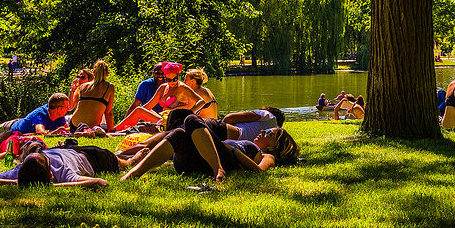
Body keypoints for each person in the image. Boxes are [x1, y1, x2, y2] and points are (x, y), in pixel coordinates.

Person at [119, 114, 300, 182]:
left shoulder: (268, 156)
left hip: (226, 160)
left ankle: (217, 169)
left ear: (275, 146)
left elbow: (259, 171)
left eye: (270, 133)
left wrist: (234, 151)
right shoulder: (254, 143)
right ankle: (135, 172)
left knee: (191, 120)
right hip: (195, 163)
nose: (263, 131)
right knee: (180, 135)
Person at [0, 142, 109, 189]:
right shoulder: (63, 172)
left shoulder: (20, 172)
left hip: (65, 150)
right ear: (51, 175)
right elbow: (100, 183)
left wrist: (16, 183)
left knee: (124, 160)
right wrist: (51, 186)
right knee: (123, 162)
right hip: (90, 157)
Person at [114, 62, 201, 130]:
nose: (172, 82)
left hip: (174, 121)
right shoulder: (163, 87)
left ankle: (114, 130)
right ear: (165, 77)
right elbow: (148, 106)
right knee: (139, 110)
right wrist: (138, 117)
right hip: (162, 119)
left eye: (174, 79)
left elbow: (201, 101)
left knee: (139, 111)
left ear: (178, 76)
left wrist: (189, 113)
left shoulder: (183, 88)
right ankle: (115, 130)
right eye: (168, 79)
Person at [0, 93, 70, 138]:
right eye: (66, 106)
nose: (68, 108)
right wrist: (55, 132)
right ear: (59, 108)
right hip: (10, 128)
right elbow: (41, 133)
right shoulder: (41, 114)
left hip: (22, 122)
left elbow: (67, 129)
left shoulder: (59, 114)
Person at [69, 59, 115, 133]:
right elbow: (108, 112)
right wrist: (111, 130)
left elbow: (78, 106)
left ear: (93, 73)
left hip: (74, 125)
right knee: (105, 127)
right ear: (107, 74)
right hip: (91, 127)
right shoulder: (109, 87)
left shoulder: (83, 86)